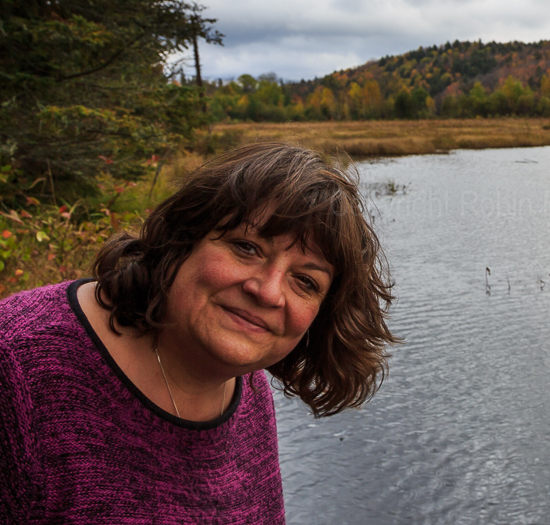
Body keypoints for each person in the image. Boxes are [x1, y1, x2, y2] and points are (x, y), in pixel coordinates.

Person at [0, 142, 398, 523]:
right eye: (246, 247)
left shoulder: (247, 389)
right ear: (183, 238)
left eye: (306, 282)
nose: (268, 291)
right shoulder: (18, 368)